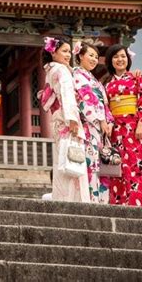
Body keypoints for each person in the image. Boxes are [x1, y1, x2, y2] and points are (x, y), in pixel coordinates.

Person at [104, 43, 142, 206]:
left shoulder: (136, 78)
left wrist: (141, 123)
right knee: (117, 169)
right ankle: (119, 205)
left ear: (128, 59)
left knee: (136, 168)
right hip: (116, 131)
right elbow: (106, 108)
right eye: (115, 57)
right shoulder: (107, 85)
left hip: (134, 130)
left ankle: (138, 204)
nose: (120, 60)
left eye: (123, 56)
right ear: (110, 61)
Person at [42, 36, 90, 202]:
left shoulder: (51, 70)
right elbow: (66, 94)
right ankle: (74, 200)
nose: (68, 55)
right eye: (64, 51)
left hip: (58, 120)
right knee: (73, 160)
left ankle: (62, 197)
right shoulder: (61, 71)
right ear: (53, 52)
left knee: (62, 160)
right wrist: (73, 120)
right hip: (67, 119)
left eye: (69, 51)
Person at [72, 39, 114, 203]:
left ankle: (102, 200)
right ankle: (91, 199)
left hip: (100, 129)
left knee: (100, 165)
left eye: (96, 57)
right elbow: (87, 100)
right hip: (88, 127)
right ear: (80, 56)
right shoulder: (77, 75)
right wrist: (101, 119)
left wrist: (109, 121)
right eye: (90, 55)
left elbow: (104, 102)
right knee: (90, 164)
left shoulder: (93, 79)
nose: (94, 59)